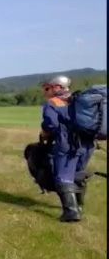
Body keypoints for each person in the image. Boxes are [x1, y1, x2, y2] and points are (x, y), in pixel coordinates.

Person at [40, 75, 96, 222]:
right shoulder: (78, 101)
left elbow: (50, 124)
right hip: (87, 144)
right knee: (78, 173)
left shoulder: (53, 103)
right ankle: (79, 206)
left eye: (48, 88)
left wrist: (44, 133)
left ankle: (71, 212)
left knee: (63, 176)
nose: (46, 91)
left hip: (67, 144)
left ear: (57, 87)